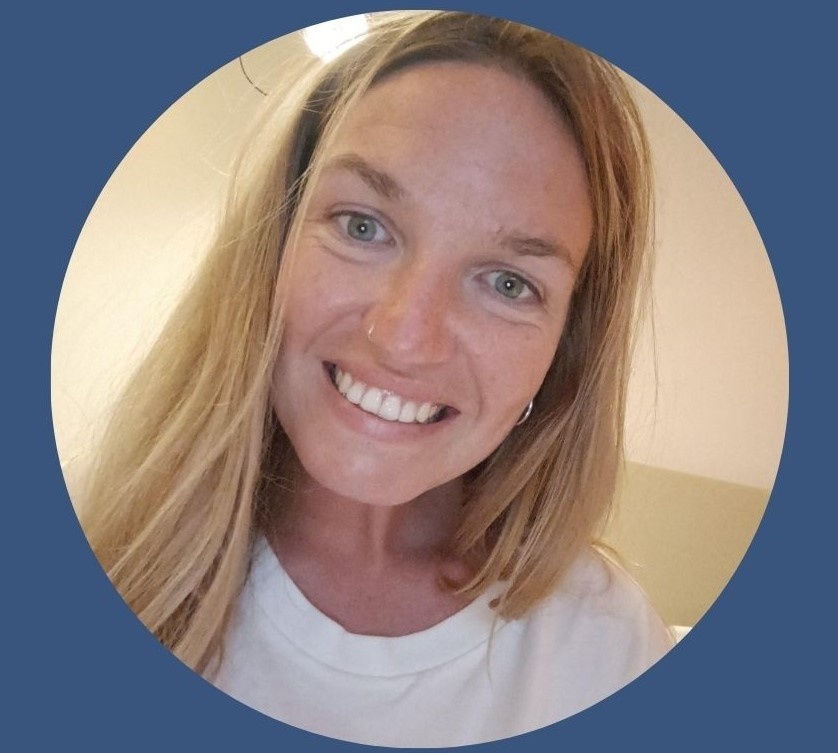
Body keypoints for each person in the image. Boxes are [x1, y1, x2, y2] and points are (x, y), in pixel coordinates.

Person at [78, 10, 674, 747]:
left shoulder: (611, 652)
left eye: (509, 283)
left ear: (566, 347)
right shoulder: (102, 552)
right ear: (273, 243)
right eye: (363, 226)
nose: (404, 338)